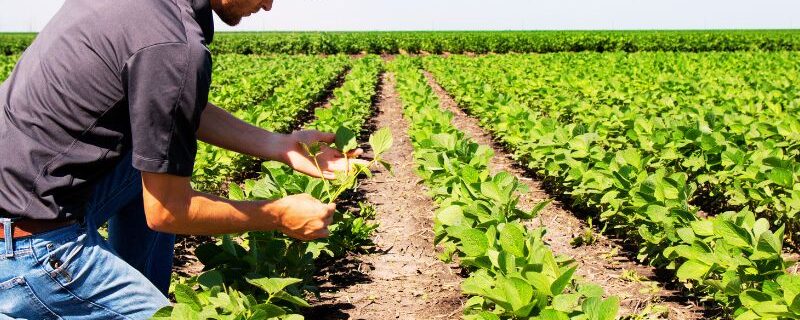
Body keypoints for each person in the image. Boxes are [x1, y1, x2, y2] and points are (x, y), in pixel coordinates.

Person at [0, 0, 364, 318]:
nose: (268, 6)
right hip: (32, 249)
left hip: (26, 202)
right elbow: (168, 211)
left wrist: (281, 146)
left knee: (146, 160)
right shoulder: (172, 44)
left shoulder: (153, 12)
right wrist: (279, 215)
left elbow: (170, 103)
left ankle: (137, 291)